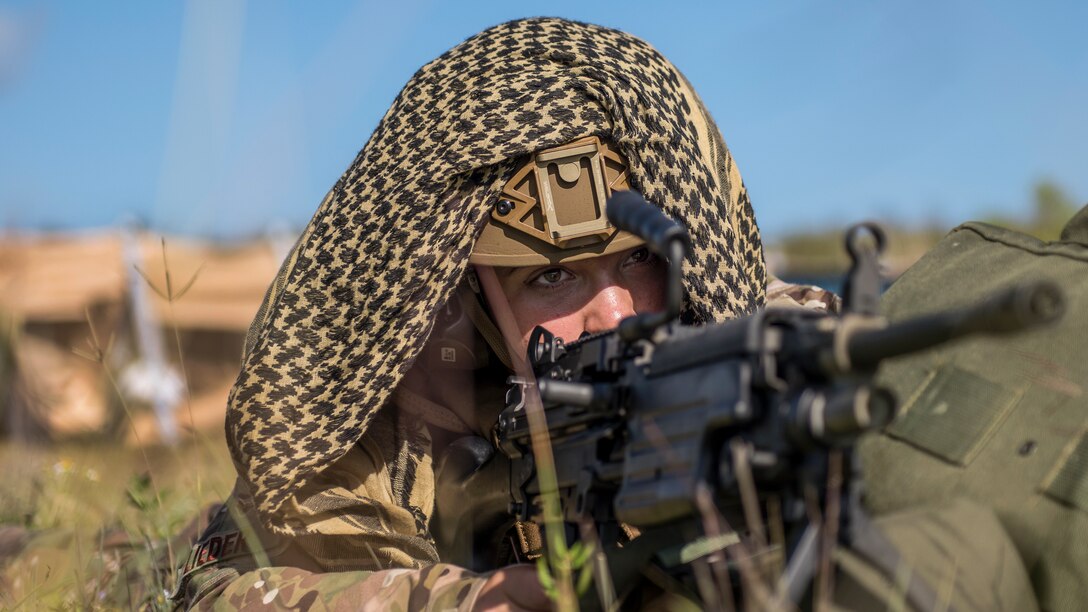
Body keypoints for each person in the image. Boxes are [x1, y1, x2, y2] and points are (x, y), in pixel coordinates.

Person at [171, 17, 845, 610]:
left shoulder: (764, 352)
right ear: (467, 290)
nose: (612, 314)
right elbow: (218, 592)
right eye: (551, 277)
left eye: (640, 261)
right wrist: (457, 603)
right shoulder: (392, 416)